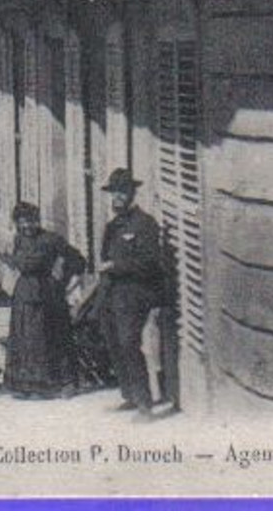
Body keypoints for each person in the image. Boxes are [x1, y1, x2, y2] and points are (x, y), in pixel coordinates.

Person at [97, 168, 168, 416]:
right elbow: (105, 256)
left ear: (132, 194)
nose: (117, 197)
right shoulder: (113, 225)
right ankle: (130, 394)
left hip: (137, 292)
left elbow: (150, 262)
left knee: (129, 343)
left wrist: (117, 266)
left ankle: (145, 405)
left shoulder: (145, 224)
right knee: (114, 342)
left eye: (123, 192)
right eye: (114, 192)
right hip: (114, 292)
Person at [0, 201, 86, 399]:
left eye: (31, 221)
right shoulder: (18, 240)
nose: (27, 226)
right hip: (23, 295)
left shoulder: (51, 239)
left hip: (46, 296)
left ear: (37, 221)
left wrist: (62, 281)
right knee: (24, 340)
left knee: (48, 338)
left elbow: (78, 260)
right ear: (17, 223)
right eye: (22, 222)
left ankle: (54, 384)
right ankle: (25, 385)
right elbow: (15, 263)